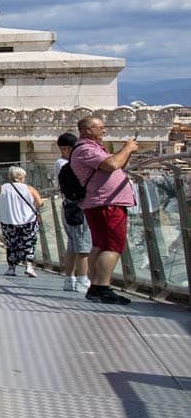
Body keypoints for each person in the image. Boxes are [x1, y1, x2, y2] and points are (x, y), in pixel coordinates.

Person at [69, 116, 139, 305]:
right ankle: (102, 287)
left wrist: (127, 152)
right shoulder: (85, 149)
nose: (104, 130)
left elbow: (117, 164)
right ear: (86, 130)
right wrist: (127, 148)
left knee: (100, 245)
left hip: (103, 202)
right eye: (100, 127)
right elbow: (111, 165)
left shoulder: (92, 148)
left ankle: (96, 287)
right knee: (113, 246)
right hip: (107, 203)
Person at [55, 132, 91, 293]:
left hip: (68, 206)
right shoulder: (65, 164)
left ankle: (69, 279)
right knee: (83, 245)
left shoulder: (60, 163)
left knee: (72, 244)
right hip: (77, 206)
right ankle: (82, 279)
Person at [0, 166, 42, 277]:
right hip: (28, 221)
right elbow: (39, 203)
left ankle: (11, 268)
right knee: (29, 243)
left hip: (8, 221)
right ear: (21, 177)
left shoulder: (1, 188)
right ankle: (29, 266)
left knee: (11, 244)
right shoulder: (29, 189)